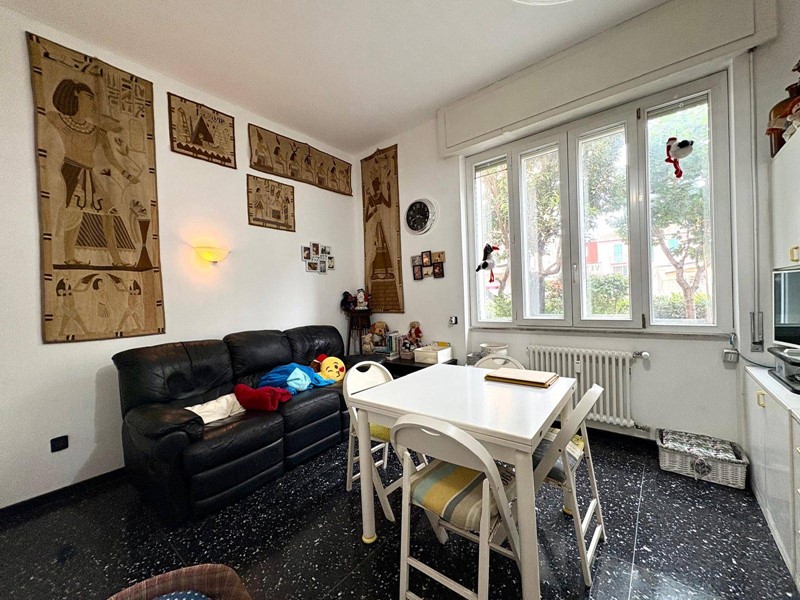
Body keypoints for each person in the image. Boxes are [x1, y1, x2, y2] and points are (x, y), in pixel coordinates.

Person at [48, 78, 138, 267]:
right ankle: (68, 257)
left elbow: (111, 157)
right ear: (76, 95)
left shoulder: (96, 131)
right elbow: (49, 117)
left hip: (88, 174)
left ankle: (116, 259)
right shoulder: (60, 120)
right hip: (70, 172)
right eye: (88, 97)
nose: (92, 102)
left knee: (109, 213)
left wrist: (127, 175)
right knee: (73, 214)